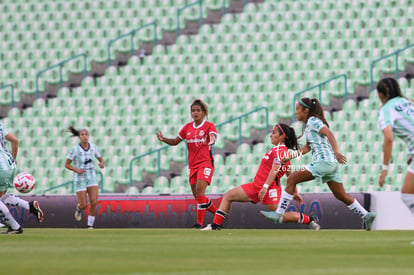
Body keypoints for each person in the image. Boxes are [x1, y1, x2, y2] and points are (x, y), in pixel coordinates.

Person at [261, 98, 376, 230]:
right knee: (340, 195)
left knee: (292, 179)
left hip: (324, 161)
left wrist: (336, 151)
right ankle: (366, 215)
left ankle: (279, 214)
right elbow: (306, 148)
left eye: (298, 109)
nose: (296, 112)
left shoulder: (313, 121)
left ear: (306, 110)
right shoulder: (309, 125)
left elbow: (329, 133)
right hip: (330, 163)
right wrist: (289, 157)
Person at [202, 123, 320, 231]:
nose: (270, 135)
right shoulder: (277, 150)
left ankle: (309, 220)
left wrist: (267, 187)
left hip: (270, 189)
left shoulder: (282, 151)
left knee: (278, 217)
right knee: (228, 196)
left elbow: (277, 171)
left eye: (274, 133)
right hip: (255, 186)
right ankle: (215, 225)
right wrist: (295, 192)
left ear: (282, 136)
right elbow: (289, 173)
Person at [157, 99, 218, 228]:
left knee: (200, 191)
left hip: (205, 163)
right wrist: (163, 139)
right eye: (193, 111)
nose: (195, 113)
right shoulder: (187, 128)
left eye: (198, 111)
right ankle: (218, 215)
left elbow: (213, 136)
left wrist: (212, 140)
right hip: (193, 166)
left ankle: (199, 223)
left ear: (203, 112)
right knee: (198, 196)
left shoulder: (209, 126)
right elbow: (175, 141)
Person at [377, 77, 414, 218]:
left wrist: (384, 169)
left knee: (407, 195)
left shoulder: (386, 109)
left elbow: (388, 137)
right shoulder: (408, 103)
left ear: (380, 95)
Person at [0, 122, 44, 234]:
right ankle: (29, 206)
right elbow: (15, 140)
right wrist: (13, 159)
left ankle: (15, 227)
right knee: (1, 197)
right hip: (9, 164)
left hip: (1, 167)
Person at [65, 126, 104, 229]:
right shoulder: (75, 149)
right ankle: (79, 209)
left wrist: (101, 163)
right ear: (79, 137)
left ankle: (90, 226)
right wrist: (77, 170)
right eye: (82, 135)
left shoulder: (94, 147)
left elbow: (101, 159)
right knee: (84, 205)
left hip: (91, 177)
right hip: (80, 178)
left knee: (94, 202)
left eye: (86, 134)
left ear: (88, 136)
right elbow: (67, 164)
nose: (85, 137)